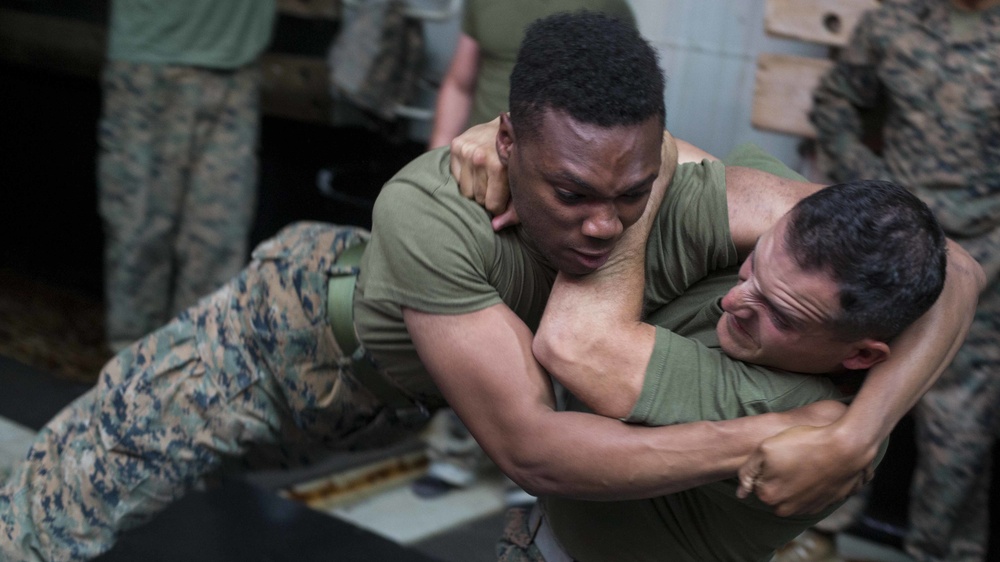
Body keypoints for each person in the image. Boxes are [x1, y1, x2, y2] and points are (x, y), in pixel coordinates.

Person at [0, 13, 979, 562]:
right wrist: (772, 437)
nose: (602, 224)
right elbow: (532, 449)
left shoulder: (698, 190)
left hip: (416, 394)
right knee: (57, 506)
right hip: (289, 342)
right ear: (507, 148)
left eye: (628, 193)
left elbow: (954, 264)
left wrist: (852, 433)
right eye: (569, 194)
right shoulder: (431, 204)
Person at [493, 146, 951, 560]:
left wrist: (647, 181)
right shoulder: (796, 243)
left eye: (781, 315)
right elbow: (960, 267)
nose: (734, 301)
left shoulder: (797, 413)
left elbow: (574, 347)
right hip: (538, 534)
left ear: (862, 356)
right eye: (752, 264)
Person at [810, 1, 1000, 560]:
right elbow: (837, 97)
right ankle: (817, 530)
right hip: (892, 242)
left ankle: (943, 551)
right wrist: (869, 189)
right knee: (849, 382)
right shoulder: (895, 20)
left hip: (987, 254)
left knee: (959, 427)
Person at [424, 0, 634, 497]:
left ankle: (535, 455)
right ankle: (457, 444)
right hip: (479, 180)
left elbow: (620, 106)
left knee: (541, 322)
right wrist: (434, 168)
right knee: (465, 320)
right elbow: (460, 81)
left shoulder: (603, 6)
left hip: (554, 191)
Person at [98, 0, 277, 352]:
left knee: (217, 246)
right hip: (152, 65)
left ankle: (197, 383)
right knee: (140, 240)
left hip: (236, 69)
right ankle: (129, 387)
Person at [427, 0, 635, 149]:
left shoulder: (608, 6)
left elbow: (624, 103)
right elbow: (459, 85)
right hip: (478, 151)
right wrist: (434, 158)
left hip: (555, 163)